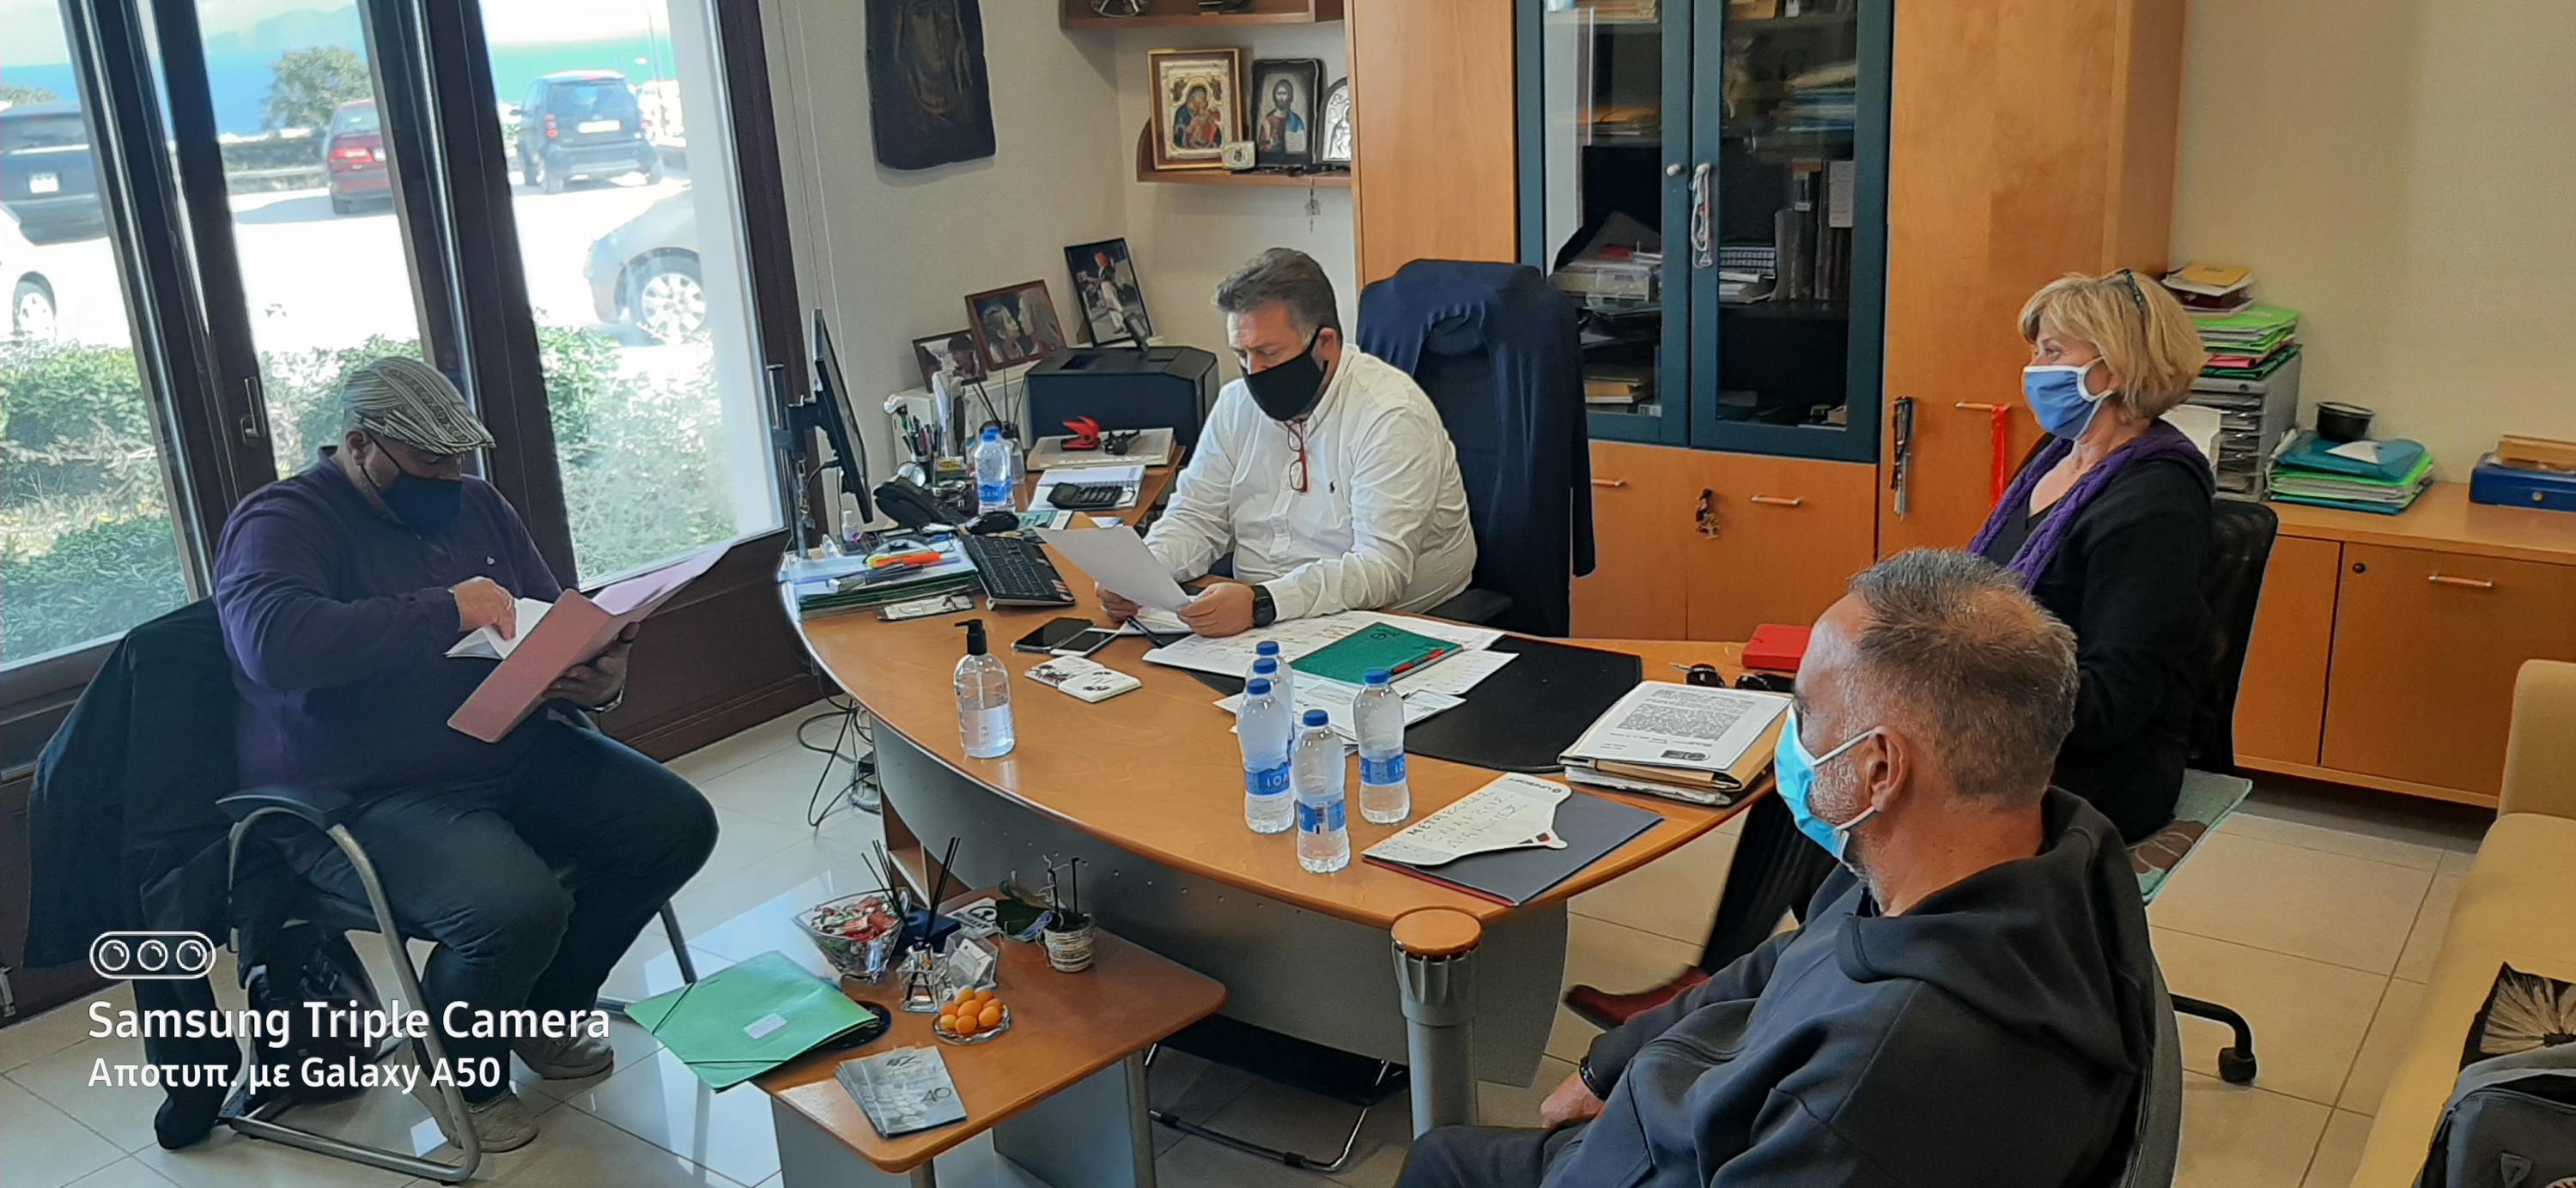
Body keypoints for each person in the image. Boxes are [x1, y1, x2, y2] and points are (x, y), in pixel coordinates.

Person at [1564, 268, 2215, 1029]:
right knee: (1816, 747)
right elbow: (1976, 606)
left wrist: (1942, 703)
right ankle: (1770, 981)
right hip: (2005, 716)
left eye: (2052, 351)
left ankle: (1779, 988)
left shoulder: (2155, 501)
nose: (2034, 369)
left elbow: (2118, 699)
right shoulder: (2058, 456)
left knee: (1862, 770)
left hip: (2090, 758)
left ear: (2114, 366)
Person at [1400, 551, 2160, 1188]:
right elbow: (1784, 959)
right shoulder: (2023, 853)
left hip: (1674, 1152)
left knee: (1441, 1161)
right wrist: (1614, 1065)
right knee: (1447, 1156)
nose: (1787, 736)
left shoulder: (1877, 1087)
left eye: (1803, 712)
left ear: (1879, 769)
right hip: (1692, 1111)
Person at [212, 357, 717, 1152]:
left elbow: (550, 622)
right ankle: (458, 1068)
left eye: (458, 460)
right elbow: (271, 644)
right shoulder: (282, 520)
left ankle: (541, 1013)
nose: (451, 478)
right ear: (360, 445)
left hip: (507, 743)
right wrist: (445, 608)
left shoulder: (477, 503)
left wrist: (596, 676)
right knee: (514, 907)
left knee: (677, 825)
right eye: (430, 461)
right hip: (363, 792)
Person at [1097, 247, 1476, 637]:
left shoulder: (1390, 414)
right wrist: (1144, 573)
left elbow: (1381, 569)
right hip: (1255, 616)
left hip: (1388, 620)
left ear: (1325, 343)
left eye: (1268, 353)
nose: (1253, 372)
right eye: (1241, 354)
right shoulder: (1236, 404)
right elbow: (1196, 517)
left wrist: (1263, 603)